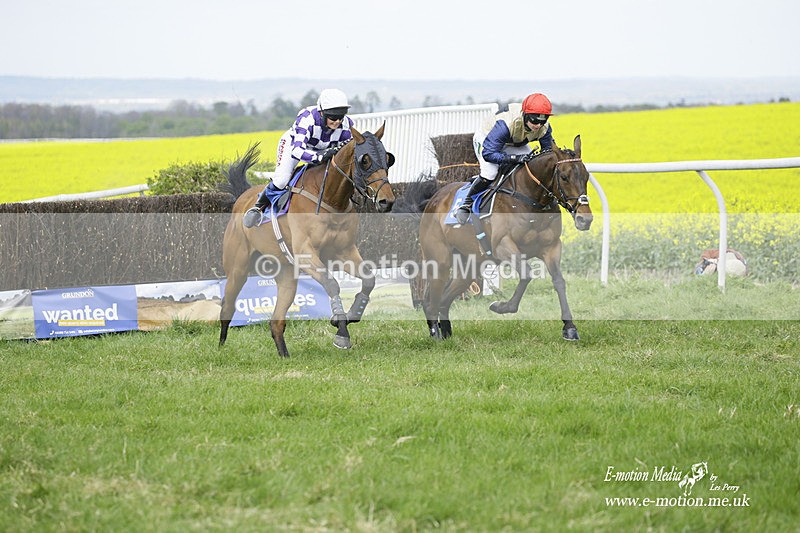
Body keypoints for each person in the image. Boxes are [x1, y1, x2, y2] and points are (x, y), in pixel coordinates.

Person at [243, 88, 354, 228]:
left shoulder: (346, 125)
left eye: (341, 117)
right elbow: (297, 151)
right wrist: (319, 157)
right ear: (321, 113)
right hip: (294, 146)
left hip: (321, 150)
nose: (337, 121)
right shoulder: (307, 118)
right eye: (333, 117)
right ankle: (258, 207)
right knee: (282, 180)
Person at [455, 92, 555, 225]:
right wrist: (514, 158)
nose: (538, 125)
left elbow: (548, 154)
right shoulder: (505, 125)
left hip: (514, 141)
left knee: (531, 166)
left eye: (543, 121)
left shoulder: (544, 128)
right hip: (487, 140)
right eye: (534, 120)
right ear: (525, 115)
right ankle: (466, 204)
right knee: (489, 173)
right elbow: (489, 154)